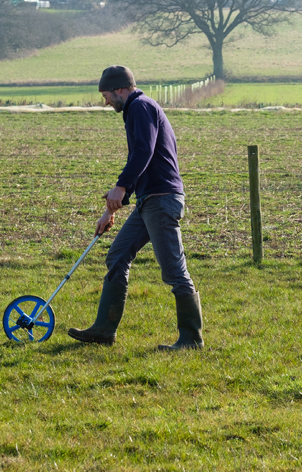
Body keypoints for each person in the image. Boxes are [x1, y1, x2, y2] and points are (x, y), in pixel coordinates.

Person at [68, 65, 204, 350]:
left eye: (106, 95)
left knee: (174, 271)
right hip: (148, 200)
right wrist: (112, 208)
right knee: (117, 256)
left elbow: (143, 152)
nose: (105, 101)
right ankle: (104, 330)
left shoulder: (141, 107)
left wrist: (121, 187)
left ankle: (191, 339)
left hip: (161, 200)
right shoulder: (135, 110)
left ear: (119, 89)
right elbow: (140, 162)